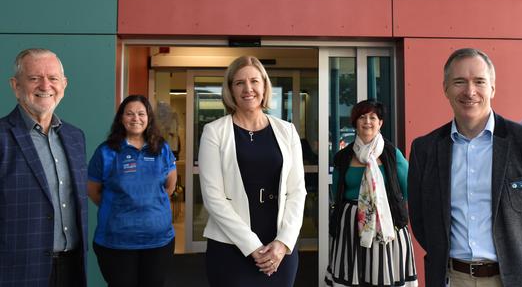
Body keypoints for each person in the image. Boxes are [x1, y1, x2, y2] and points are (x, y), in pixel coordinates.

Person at [408, 48, 522, 287]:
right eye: (459, 81)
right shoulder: (425, 149)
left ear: (492, 87)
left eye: (479, 81)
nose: (470, 91)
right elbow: (421, 222)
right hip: (452, 279)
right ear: (445, 88)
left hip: (515, 280)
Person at [198, 55, 306, 286]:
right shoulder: (214, 132)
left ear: (265, 86)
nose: (248, 88)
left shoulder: (287, 131)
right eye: (239, 83)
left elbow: (297, 191)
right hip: (230, 247)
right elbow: (213, 197)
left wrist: (283, 242)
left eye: (254, 81)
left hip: (280, 249)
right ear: (231, 90)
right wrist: (252, 246)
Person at [0, 48, 87, 286]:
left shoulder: (75, 137)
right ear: (16, 86)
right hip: (17, 272)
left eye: (53, 78)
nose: (45, 85)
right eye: (34, 78)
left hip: (72, 268)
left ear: (64, 84)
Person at [326, 99, 418, 287]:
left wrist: (384, 206)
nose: (367, 121)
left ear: (380, 123)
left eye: (372, 117)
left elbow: (409, 187)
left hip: (385, 225)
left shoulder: (392, 153)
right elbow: (337, 191)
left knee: (382, 274)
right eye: (362, 117)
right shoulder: (343, 156)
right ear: (355, 122)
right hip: (350, 227)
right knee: (352, 275)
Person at [88, 95, 177, 287]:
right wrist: (121, 207)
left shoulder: (162, 149)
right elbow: (94, 192)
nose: (135, 118)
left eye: (141, 113)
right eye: (129, 114)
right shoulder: (106, 151)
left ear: (149, 118)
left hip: (158, 241)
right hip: (116, 242)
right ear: (121, 118)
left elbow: (169, 187)